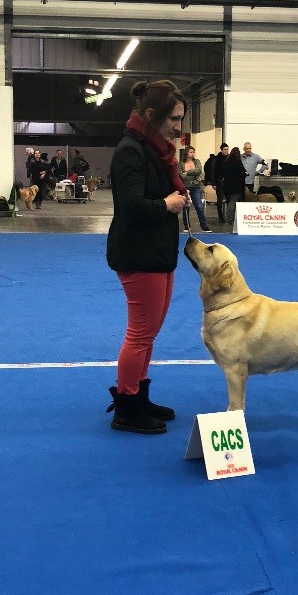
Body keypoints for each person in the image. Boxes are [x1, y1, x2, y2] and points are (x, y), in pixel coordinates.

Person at [106, 79, 188, 435]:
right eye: (175, 119)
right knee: (140, 334)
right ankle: (126, 407)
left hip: (158, 250)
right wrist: (168, 204)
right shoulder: (130, 150)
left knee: (149, 333)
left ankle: (138, 395)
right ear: (153, 115)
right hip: (139, 253)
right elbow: (132, 208)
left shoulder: (157, 149)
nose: (179, 127)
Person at [178, 145, 212, 233]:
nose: (192, 154)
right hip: (185, 187)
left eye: (193, 152)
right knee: (186, 207)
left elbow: (199, 171)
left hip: (196, 186)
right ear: (186, 153)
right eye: (190, 152)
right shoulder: (181, 163)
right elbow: (182, 176)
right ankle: (186, 226)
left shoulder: (197, 161)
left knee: (199, 206)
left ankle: (204, 226)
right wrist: (193, 174)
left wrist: (188, 172)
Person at [223, 147, 248, 225]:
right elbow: (242, 173)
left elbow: (223, 173)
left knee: (229, 201)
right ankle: (229, 218)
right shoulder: (238, 162)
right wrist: (246, 173)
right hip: (237, 186)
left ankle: (229, 217)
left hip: (227, 185)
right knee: (233, 202)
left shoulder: (227, 161)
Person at [212, 142, 230, 224]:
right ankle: (220, 217)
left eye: (227, 149)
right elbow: (213, 171)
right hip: (219, 182)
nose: (226, 151)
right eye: (225, 149)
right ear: (221, 150)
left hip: (228, 183)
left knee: (229, 200)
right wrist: (213, 183)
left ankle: (229, 217)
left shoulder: (230, 158)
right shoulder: (216, 159)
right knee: (219, 200)